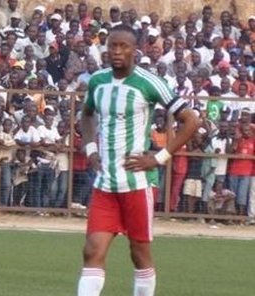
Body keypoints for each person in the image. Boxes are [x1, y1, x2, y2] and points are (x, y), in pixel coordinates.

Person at [77, 25, 199, 296]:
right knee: (92, 250)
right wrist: (90, 149)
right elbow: (86, 115)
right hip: (105, 184)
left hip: (137, 183)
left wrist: (160, 157)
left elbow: (191, 120)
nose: (117, 51)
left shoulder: (149, 82)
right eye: (112, 46)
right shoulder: (98, 81)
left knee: (139, 252)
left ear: (135, 50)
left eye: (124, 46)